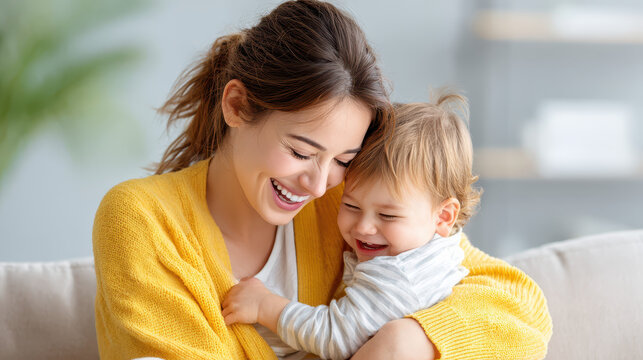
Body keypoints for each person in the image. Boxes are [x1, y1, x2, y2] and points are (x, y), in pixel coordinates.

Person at [92, 1, 552, 359]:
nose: (317, 186)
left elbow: (521, 307)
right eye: (300, 152)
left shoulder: (352, 206)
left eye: (343, 159)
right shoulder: (141, 220)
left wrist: (403, 343)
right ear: (236, 106)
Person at [221, 95, 480, 360]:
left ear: (444, 216)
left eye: (387, 215)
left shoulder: (399, 275)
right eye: (351, 206)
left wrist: (265, 306)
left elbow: (337, 337)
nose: (363, 227)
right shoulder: (432, 246)